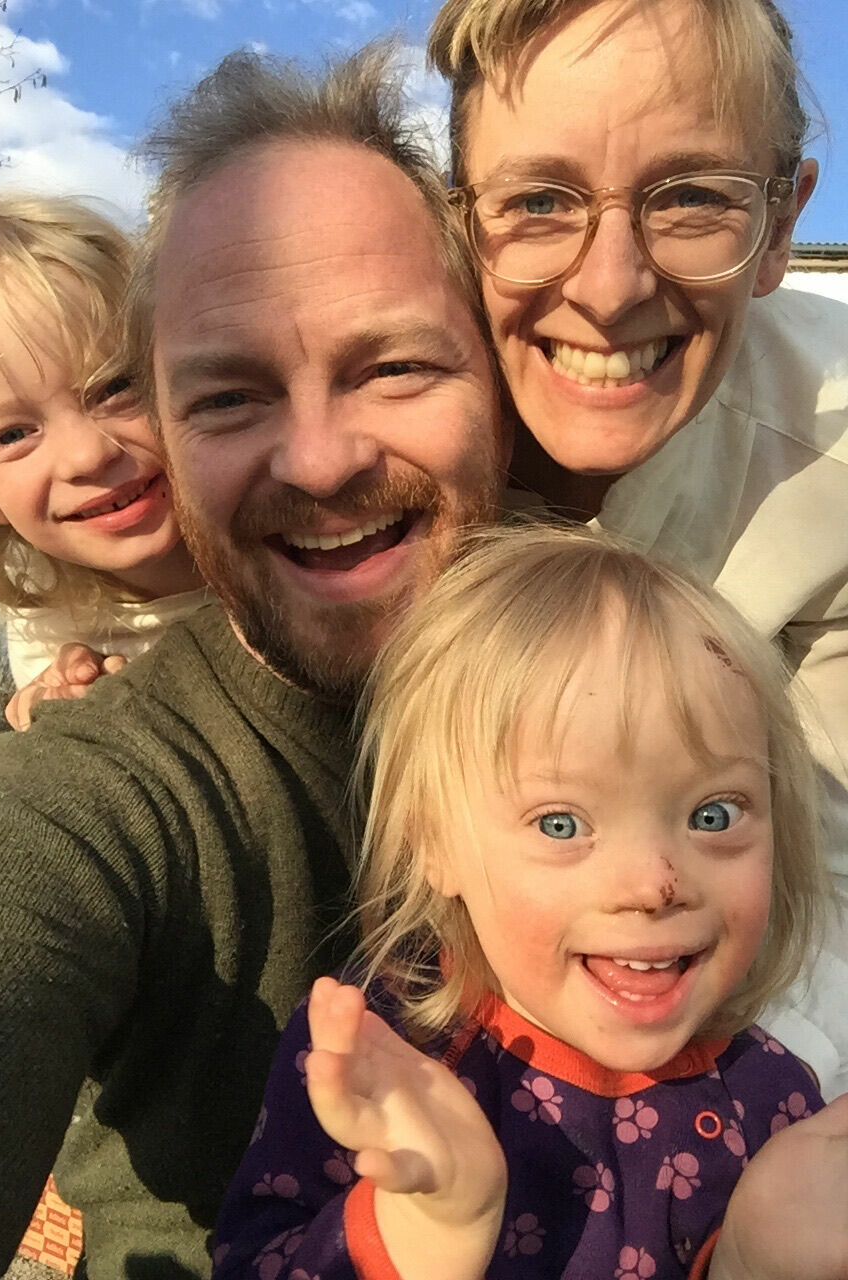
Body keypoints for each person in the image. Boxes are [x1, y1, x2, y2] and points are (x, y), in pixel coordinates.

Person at [0, 48, 508, 1280]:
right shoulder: (96, 775)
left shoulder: (614, 630)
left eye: (393, 364)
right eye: (230, 395)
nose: (321, 461)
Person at [212, 523, 848, 1280]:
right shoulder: (385, 1061)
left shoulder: (775, 1096)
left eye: (712, 815)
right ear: (433, 842)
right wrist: (425, 1228)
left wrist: (754, 1256)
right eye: (561, 824)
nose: (653, 886)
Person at [428, 0, 848, 1096]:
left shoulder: (837, 465)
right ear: (458, 219)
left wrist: (711, 1136)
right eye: (537, 200)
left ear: (780, 225)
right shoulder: (387, 418)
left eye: (694, 196)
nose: (609, 289)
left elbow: (834, 902)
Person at [0, 194, 207, 731]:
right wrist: (61, 720)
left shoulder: (299, 539)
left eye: (115, 386)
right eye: (12, 435)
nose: (89, 454)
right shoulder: (48, 627)